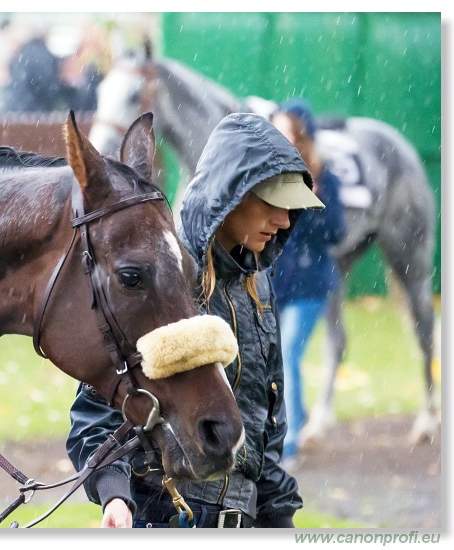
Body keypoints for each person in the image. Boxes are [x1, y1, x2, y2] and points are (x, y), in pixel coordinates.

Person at [67, 112, 322, 528]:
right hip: (165, 518)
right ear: (231, 194)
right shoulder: (163, 277)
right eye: (272, 203)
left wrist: (280, 523)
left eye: (290, 207)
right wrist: (115, 495)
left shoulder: (261, 287)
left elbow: (266, 438)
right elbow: (96, 413)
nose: (284, 220)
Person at [269, 99, 347, 465]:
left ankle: (289, 443)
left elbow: (337, 232)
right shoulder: (269, 172)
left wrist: (312, 205)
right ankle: (292, 423)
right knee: (272, 358)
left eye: (285, 129)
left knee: (288, 354)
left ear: (300, 134)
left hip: (310, 284)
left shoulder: (322, 176)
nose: (278, 135)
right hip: (275, 282)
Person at [2, 22, 65, 113]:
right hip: (36, 112)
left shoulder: (20, 55)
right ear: (45, 34)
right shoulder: (44, 55)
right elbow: (48, 87)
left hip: (16, 111)